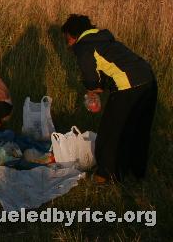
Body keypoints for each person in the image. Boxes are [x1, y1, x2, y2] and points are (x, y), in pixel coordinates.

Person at [61, 14, 157, 183]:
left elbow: (92, 81)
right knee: (139, 129)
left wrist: (93, 91)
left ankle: (105, 176)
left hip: (128, 87)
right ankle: (136, 173)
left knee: (111, 132)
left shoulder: (83, 47)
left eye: (67, 40)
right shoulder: (103, 38)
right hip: (148, 79)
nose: (67, 45)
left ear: (73, 35)